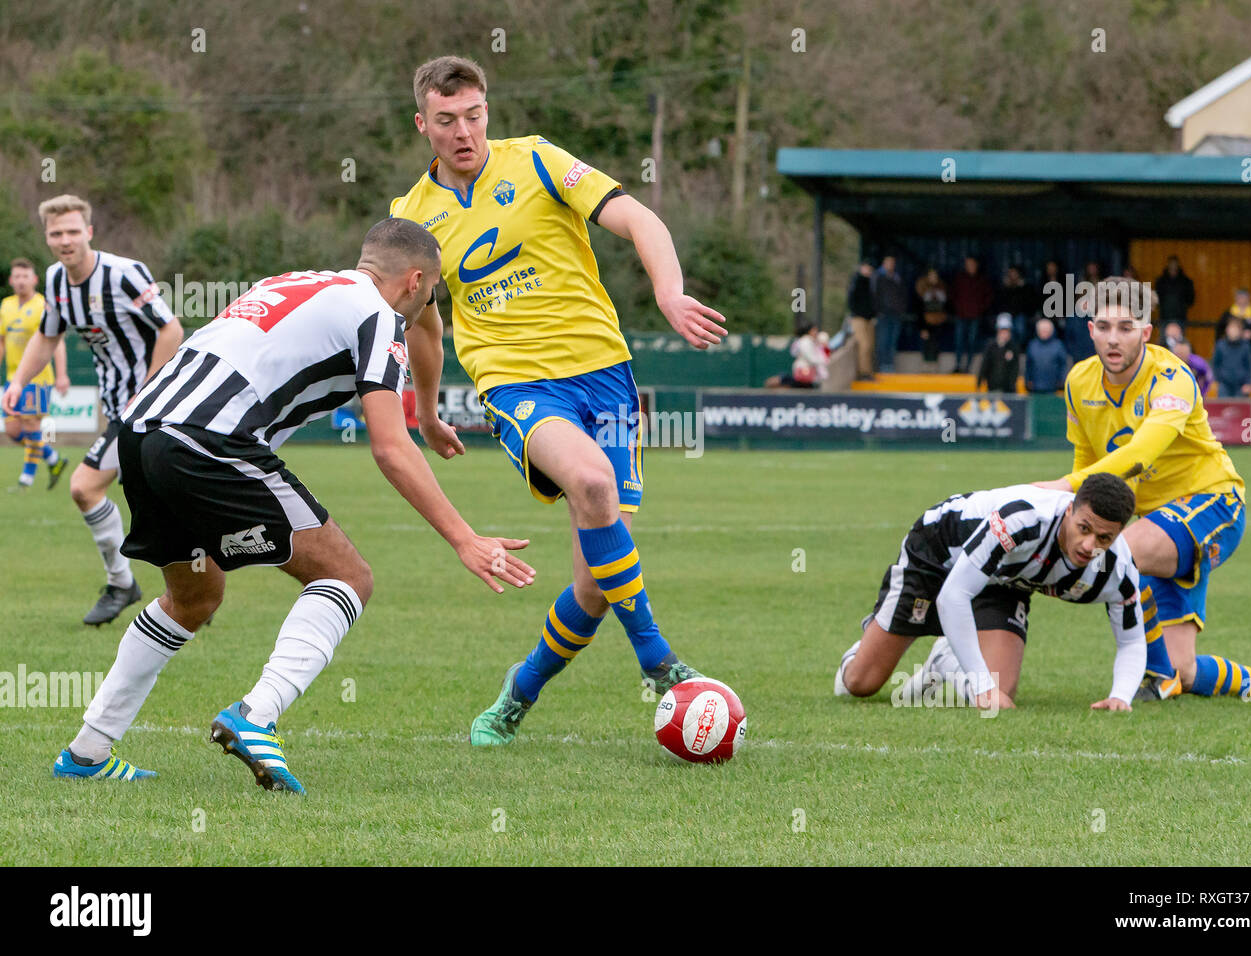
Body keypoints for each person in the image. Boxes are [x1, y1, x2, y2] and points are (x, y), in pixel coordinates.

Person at [50, 218, 536, 790]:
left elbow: (424, 324)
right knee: (347, 576)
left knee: (195, 597)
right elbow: (389, 447)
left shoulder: (299, 281)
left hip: (140, 431)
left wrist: (427, 413)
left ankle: (87, 751)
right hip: (210, 439)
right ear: (414, 280)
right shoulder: (377, 318)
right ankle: (257, 715)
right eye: (430, 290)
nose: (430, 305)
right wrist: (464, 537)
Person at [388, 55, 728, 746]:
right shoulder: (410, 218)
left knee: (596, 584)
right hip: (515, 385)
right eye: (447, 120)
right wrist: (425, 408)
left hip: (604, 375)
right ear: (422, 123)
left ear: (488, 111)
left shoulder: (539, 161)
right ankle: (659, 660)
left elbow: (638, 218)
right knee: (593, 480)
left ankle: (521, 688)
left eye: (474, 116)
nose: (464, 132)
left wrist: (668, 291)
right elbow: (425, 322)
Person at [1036, 277, 1251, 701]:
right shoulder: (1078, 383)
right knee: (1187, 669)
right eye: (1103, 326)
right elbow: (1088, 464)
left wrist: (1061, 488)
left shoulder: (1173, 376)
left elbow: (1141, 452)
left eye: (1126, 327)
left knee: (1119, 553)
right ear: (1090, 330)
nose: (1113, 339)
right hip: (1159, 523)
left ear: (1146, 332)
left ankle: (1154, 678)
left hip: (1214, 504)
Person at [2, 195, 184, 626]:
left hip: (156, 403)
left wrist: (148, 391)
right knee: (161, 499)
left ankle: (128, 584)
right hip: (120, 405)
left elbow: (171, 328)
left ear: (89, 231)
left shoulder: (123, 274)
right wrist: (17, 382)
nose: (64, 240)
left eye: (71, 231)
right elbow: (48, 337)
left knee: (86, 487)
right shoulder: (56, 281)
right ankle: (185, 589)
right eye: (55, 233)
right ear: (47, 238)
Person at [833, 474, 1147, 711]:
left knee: (1002, 694)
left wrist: (1120, 696)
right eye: (1084, 529)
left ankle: (944, 659)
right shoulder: (1023, 521)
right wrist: (981, 686)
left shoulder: (1115, 567)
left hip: (1004, 577)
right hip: (939, 552)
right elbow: (953, 596)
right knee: (862, 684)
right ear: (1069, 512)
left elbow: (1132, 640)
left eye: (1104, 538)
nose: (1090, 546)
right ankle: (867, 646)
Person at [1, 257, 68, 489]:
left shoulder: (43, 305)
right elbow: (2, 341)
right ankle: (53, 458)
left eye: (25, 276)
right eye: (17, 276)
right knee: (12, 430)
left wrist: (61, 374)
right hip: (12, 379)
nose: (20, 281)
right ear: (11, 280)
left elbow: (56, 342)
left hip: (37, 378)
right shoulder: (6, 305)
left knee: (31, 427)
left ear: (34, 279)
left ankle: (25, 479)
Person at [950, 255, 993, 374]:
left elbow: (988, 297)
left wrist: (980, 309)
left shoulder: (982, 279)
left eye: (972, 264)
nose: (970, 266)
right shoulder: (960, 278)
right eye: (968, 264)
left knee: (971, 342)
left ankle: (968, 367)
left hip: (975, 316)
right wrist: (957, 308)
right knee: (958, 341)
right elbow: (952, 294)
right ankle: (958, 365)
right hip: (961, 315)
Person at [871, 254, 907, 373]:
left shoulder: (897, 278)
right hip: (883, 314)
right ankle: (882, 367)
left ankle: (890, 367)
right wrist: (878, 311)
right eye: (888, 262)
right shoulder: (877, 277)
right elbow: (874, 295)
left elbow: (902, 296)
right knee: (883, 341)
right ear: (884, 263)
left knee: (892, 342)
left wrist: (901, 310)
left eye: (893, 262)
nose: (891, 265)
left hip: (895, 314)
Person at [765, 322, 828, 388]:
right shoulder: (805, 341)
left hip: (805, 369)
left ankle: (781, 380)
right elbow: (811, 358)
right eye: (814, 330)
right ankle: (779, 381)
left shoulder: (808, 341)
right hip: (804, 369)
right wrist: (823, 361)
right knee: (798, 385)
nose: (816, 332)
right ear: (809, 331)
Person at [846, 261, 875, 380]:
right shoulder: (856, 281)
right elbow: (851, 300)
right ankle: (863, 373)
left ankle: (868, 371)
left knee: (870, 346)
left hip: (869, 318)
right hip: (858, 318)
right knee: (864, 345)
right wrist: (856, 313)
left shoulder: (870, 282)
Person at [1024, 317, 1070, 393]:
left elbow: (1063, 365)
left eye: (1046, 330)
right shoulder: (1032, 345)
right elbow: (1028, 365)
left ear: (1051, 331)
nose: (1044, 332)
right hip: (1035, 387)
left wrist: (1062, 380)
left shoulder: (1058, 345)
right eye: (1042, 330)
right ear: (1037, 331)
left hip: (1053, 388)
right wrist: (1027, 380)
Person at [976, 314, 1019, 393]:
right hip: (992, 387)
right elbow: (984, 364)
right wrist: (979, 382)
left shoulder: (1013, 347)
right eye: (1002, 331)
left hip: (1008, 389)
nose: (1004, 334)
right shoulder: (991, 345)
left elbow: (1015, 368)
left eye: (1006, 331)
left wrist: (1012, 385)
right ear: (998, 331)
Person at [1212, 316, 1251, 398]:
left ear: (1240, 331)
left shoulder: (1246, 346)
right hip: (1224, 385)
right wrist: (1218, 380)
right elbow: (1216, 364)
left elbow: (1249, 366)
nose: (1232, 331)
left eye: (1235, 329)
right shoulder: (1220, 345)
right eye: (1230, 328)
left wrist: (1247, 383)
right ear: (1226, 330)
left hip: (1240, 386)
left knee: (1239, 409)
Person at [915, 266, 948, 365]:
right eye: (931, 275)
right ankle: (924, 368)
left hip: (938, 321)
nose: (933, 278)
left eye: (935, 276)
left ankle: (934, 368)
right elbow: (919, 309)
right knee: (925, 345)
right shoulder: (922, 288)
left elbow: (945, 307)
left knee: (936, 345)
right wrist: (922, 327)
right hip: (926, 321)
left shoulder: (942, 288)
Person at [995, 264, 1035, 346]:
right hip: (1006, 314)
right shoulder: (1004, 287)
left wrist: (1020, 287)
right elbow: (1000, 301)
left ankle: (1018, 348)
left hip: (1020, 313)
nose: (1013, 275)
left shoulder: (1025, 287)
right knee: (1007, 333)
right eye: (1011, 273)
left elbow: (1028, 301)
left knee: (1021, 331)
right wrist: (1007, 287)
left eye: (1015, 273)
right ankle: (1009, 349)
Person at [1154, 255, 1195, 329]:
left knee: (1179, 339)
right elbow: (1156, 298)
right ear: (1168, 265)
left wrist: (1182, 307)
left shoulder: (1186, 281)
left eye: (1175, 264)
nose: (1173, 266)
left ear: (1178, 265)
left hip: (1180, 318)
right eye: (1171, 264)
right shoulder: (1161, 281)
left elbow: (1190, 299)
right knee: (1164, 339)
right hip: (1164, 317)